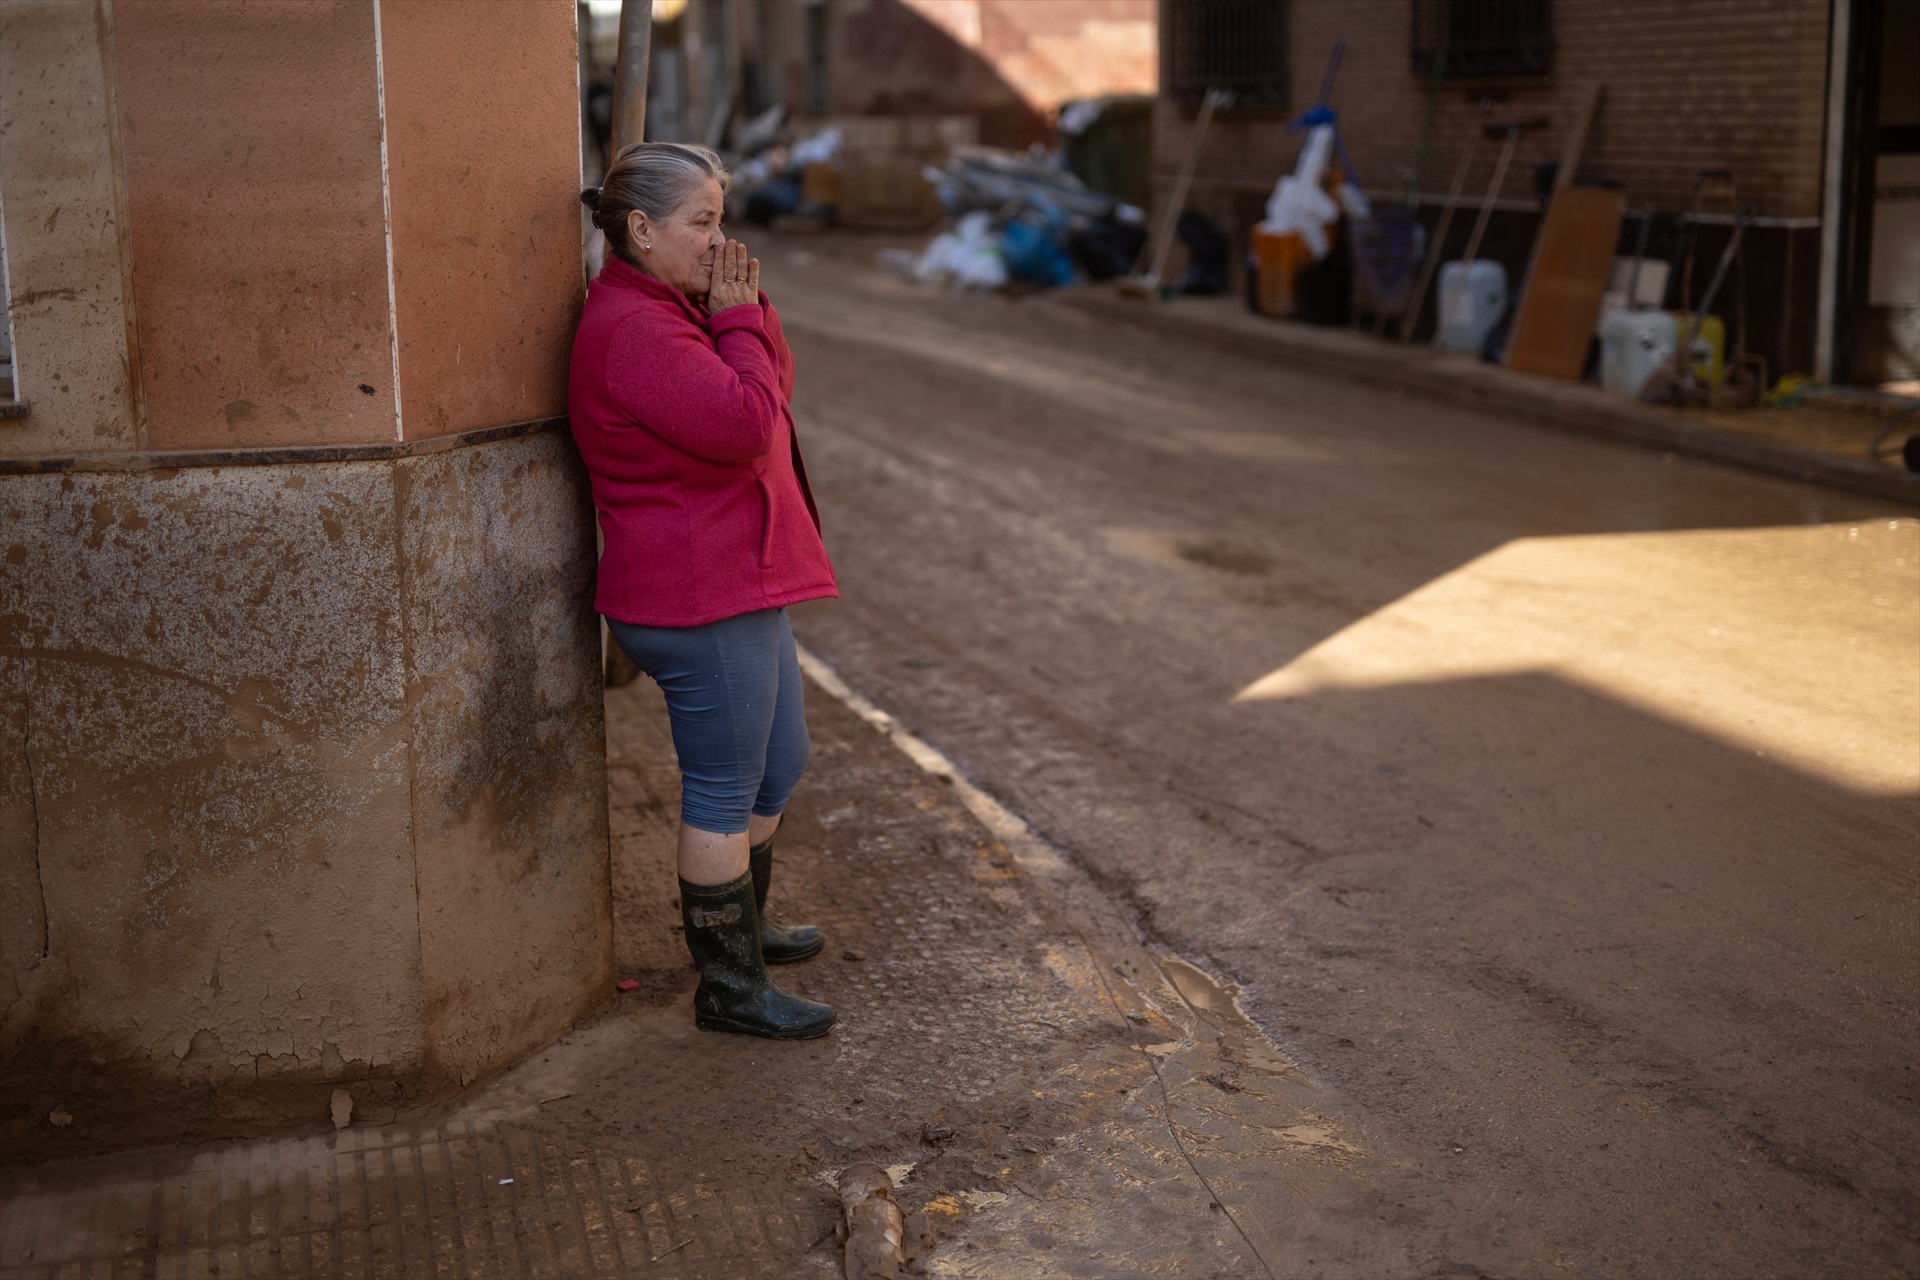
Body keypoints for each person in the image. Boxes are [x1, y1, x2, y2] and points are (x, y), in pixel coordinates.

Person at [571, 142, 837, 1040]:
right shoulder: (638, 330)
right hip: (695, 594)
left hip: (738, 576)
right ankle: (728, 986)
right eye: (703, 223)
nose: (721, 243)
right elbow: (747, 426)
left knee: (782, 761)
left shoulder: (677, 306)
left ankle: (747, 933)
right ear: (641, 230)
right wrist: (735, 320)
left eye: (721, 219)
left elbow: (772, 390)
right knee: (725, 786)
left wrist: (743, 311)